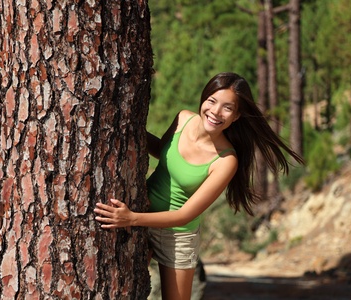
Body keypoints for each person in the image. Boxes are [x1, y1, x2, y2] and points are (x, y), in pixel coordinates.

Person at [94, 72, 304, 300]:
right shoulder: (183, 119)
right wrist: (127, 129)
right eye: (212, 101)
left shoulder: (225, 161)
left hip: (175, 236)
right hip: (140, 213)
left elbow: (184, 215)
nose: (215, 112)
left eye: (227, 108)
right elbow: (163, 151)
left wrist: (131, 218)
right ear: (203, 100)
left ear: (236, 116)